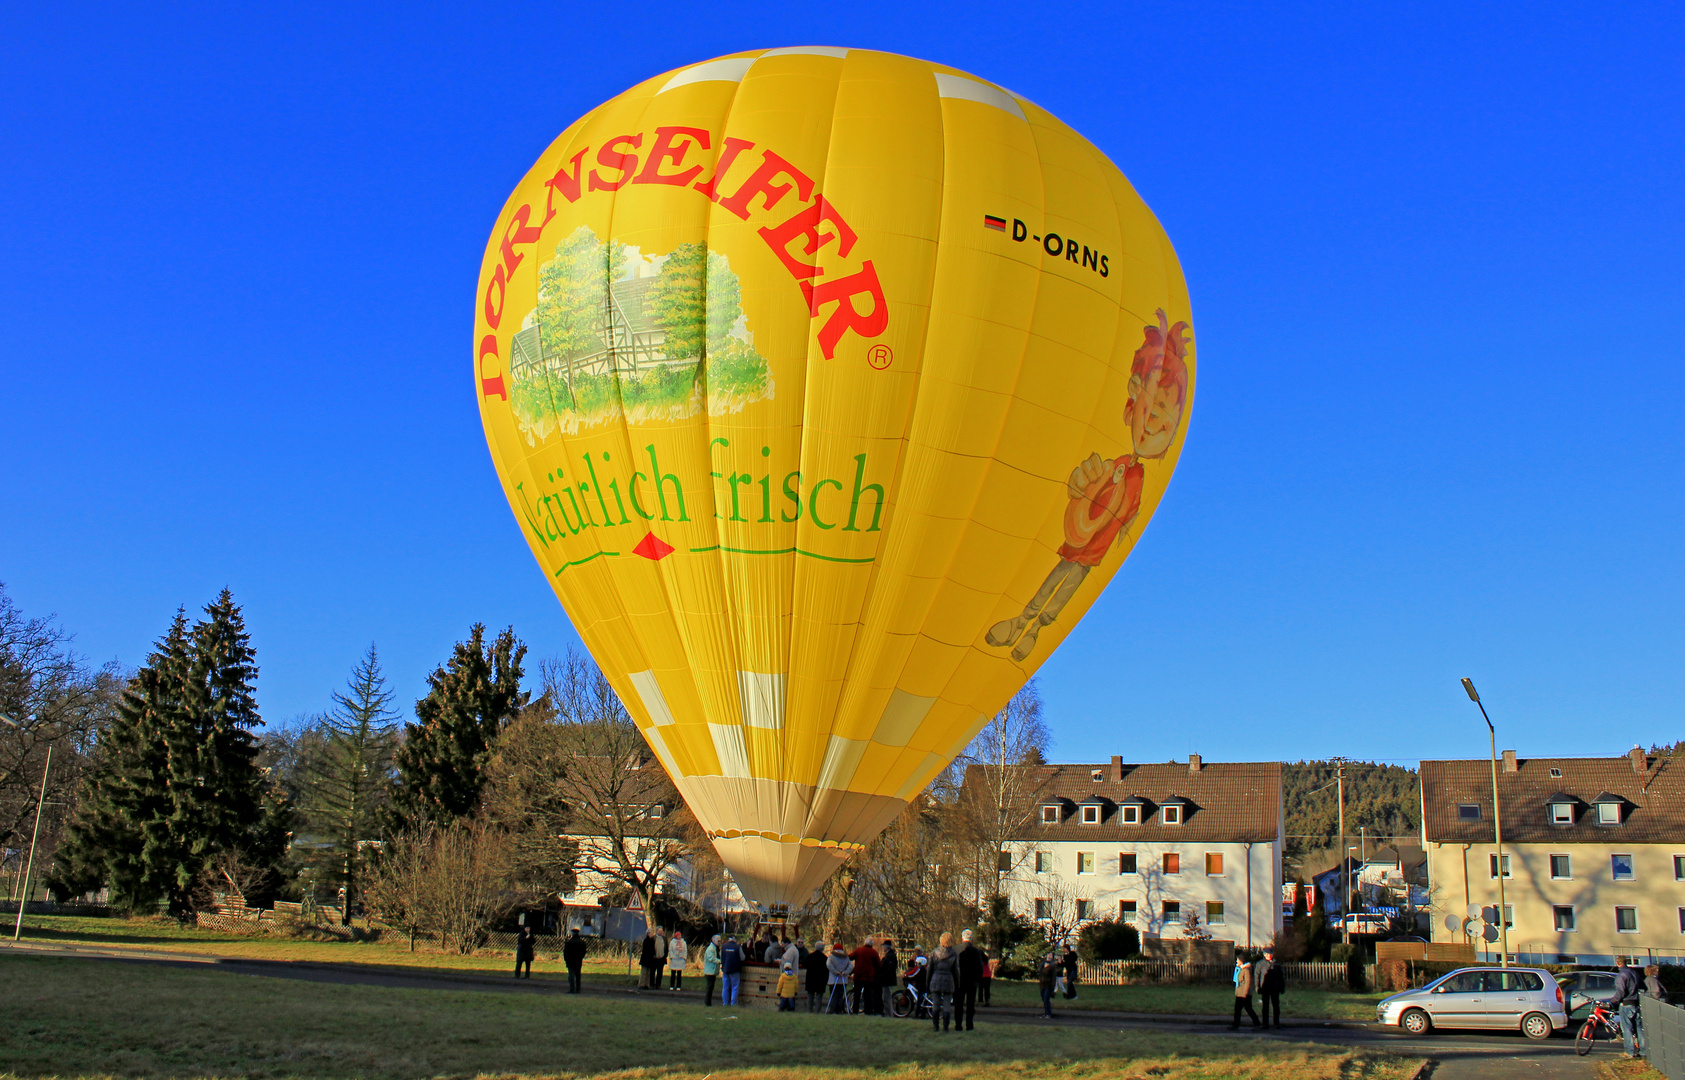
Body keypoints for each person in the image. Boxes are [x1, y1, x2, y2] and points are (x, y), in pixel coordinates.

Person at [928, 932, 959, 1032]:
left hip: (936, 978)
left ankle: (935, 1026)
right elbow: (956, 971)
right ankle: (946, 1027)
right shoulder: (953, 954)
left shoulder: (934, 952)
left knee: (935, 1004)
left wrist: (927, 982)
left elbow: (929, 969)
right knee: (947, 1005)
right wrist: (957, 984)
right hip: (948, 979)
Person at [956, 929, 984, 1030]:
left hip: (958, 981)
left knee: (958, 1004)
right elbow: (980, 967)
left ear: (962, 937)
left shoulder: (956, 950)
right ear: (971, 938)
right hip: (972, 982)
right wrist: (977, 981)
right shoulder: (976, 951)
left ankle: (958, 1025)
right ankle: (969, 1025)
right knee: (970, 1005)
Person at [1614, 964, 1643, 1058]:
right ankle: (1643, 1051)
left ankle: (1630, 1052)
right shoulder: (1635, 973)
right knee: (1639, 1029)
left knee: (1627, 1029)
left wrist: (1614, 1000)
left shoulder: (1621, 975)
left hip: (1626, 1004)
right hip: (1637, 1004)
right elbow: (1644, 987)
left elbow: (1621, 991)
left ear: (1618, 963)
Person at [850, 937, 881, 1015]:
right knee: (868, 995)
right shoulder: (874, 952)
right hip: (869, 977)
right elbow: (879, 964)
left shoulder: (858, 950)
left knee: (857, 994)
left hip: (858, 976)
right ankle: (868, 1011)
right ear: (872, 944)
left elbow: (850, 957)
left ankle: (855, 1011)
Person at [1229, 952, 1260, 1030]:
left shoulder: (1246, 970)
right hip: (1239, 993)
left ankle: (1257, 1023)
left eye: (1238, 960)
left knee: (1248, 1009)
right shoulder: (1240, 969)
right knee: (1237, 1009)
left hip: (1244, 994)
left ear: (1242, 961)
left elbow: (1247, 983)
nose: (1236, 962)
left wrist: (1245, 994)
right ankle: (1236, 1024)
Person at [1257, 948, 1284, 1028]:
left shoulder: (1276, 964)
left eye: (1270, 954)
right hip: (1265, 988)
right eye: (1267, 954)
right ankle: (1265, 1023)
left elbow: (1281, 977)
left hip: (1275, 988)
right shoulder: (1260, 964)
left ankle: (1276, 1023)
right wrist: (1257, 987)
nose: (1269, 956)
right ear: (1264, 955)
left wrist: (1282, 987)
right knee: (1265, 1006)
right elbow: (1257, 976)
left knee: (1276, 1006)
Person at [826, 943, 854, 1013]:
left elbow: (828, 964)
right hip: (843, 979)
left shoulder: (832, 956)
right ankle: (839, 1010)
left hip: (833, 979)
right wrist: (845, 972)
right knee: (840, 995)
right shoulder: (846, 957)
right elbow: (851, 966)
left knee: (833, 995)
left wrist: (835, 972)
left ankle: (832, 1010)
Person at [877, 937, 900, 1018]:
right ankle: (888, 1014)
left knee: (887, 998)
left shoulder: (889, 956)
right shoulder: (890, 955)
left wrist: (881, 973)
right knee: (887, 998)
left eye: (883, 946)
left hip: (887, 980)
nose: (882, 948)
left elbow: (887, 969)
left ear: (887, 947)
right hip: (888, 980)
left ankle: (889, 1015)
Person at [803, 939, 829, 1012]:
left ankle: (809, 1010)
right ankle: (818, 1011)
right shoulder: (825, 958)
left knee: (810, 997)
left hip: (810, 979)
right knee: (819, 997)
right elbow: (827, 970)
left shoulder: (810, 956)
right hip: (820, 980)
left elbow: (804, 965)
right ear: (823, 948)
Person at [721, 934, 744, 1007]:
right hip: (735, 970)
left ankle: (725, 1003)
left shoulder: (723, 946)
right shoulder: (738, 947)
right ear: (735, 940)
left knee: (725, 987)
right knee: (735, 987)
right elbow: (742, 958)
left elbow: (721, 957)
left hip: (725, 969)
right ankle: (733, 1003)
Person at [562, 927, 587, 993]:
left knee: (571, 976)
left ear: (572, 934)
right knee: (578, 976)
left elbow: (565, 953)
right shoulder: (582, 943)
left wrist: (566, 960)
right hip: (578, 961)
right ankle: (578, 989)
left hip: (570, 961)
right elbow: (584, 952)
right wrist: (580, 957)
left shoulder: (569, 942)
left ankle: (572, 989)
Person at [1036, 952, 1059, 1019]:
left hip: (1048, 985)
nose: (1049, 956)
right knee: (1044, 999)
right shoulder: (1043, 963)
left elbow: (1054, 977)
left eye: (1051, 955)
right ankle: (1046, 1013)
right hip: (1042, 984)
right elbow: (1039, 971)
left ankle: (1048, 1014)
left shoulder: (1052, 965)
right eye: (1048, 954)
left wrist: (1053, 986)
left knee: (1046, 999)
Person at [701, 934, 721, 1007]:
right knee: (709, 987)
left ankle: (708, 1002)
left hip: (713, 971)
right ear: (714, 940)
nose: (720, 942)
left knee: (711, 987)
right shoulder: (711, 949)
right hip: (709, 972)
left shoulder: (716, 948)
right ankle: (707, 1002)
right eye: (718, 941)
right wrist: (720, 961)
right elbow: (711, 959)